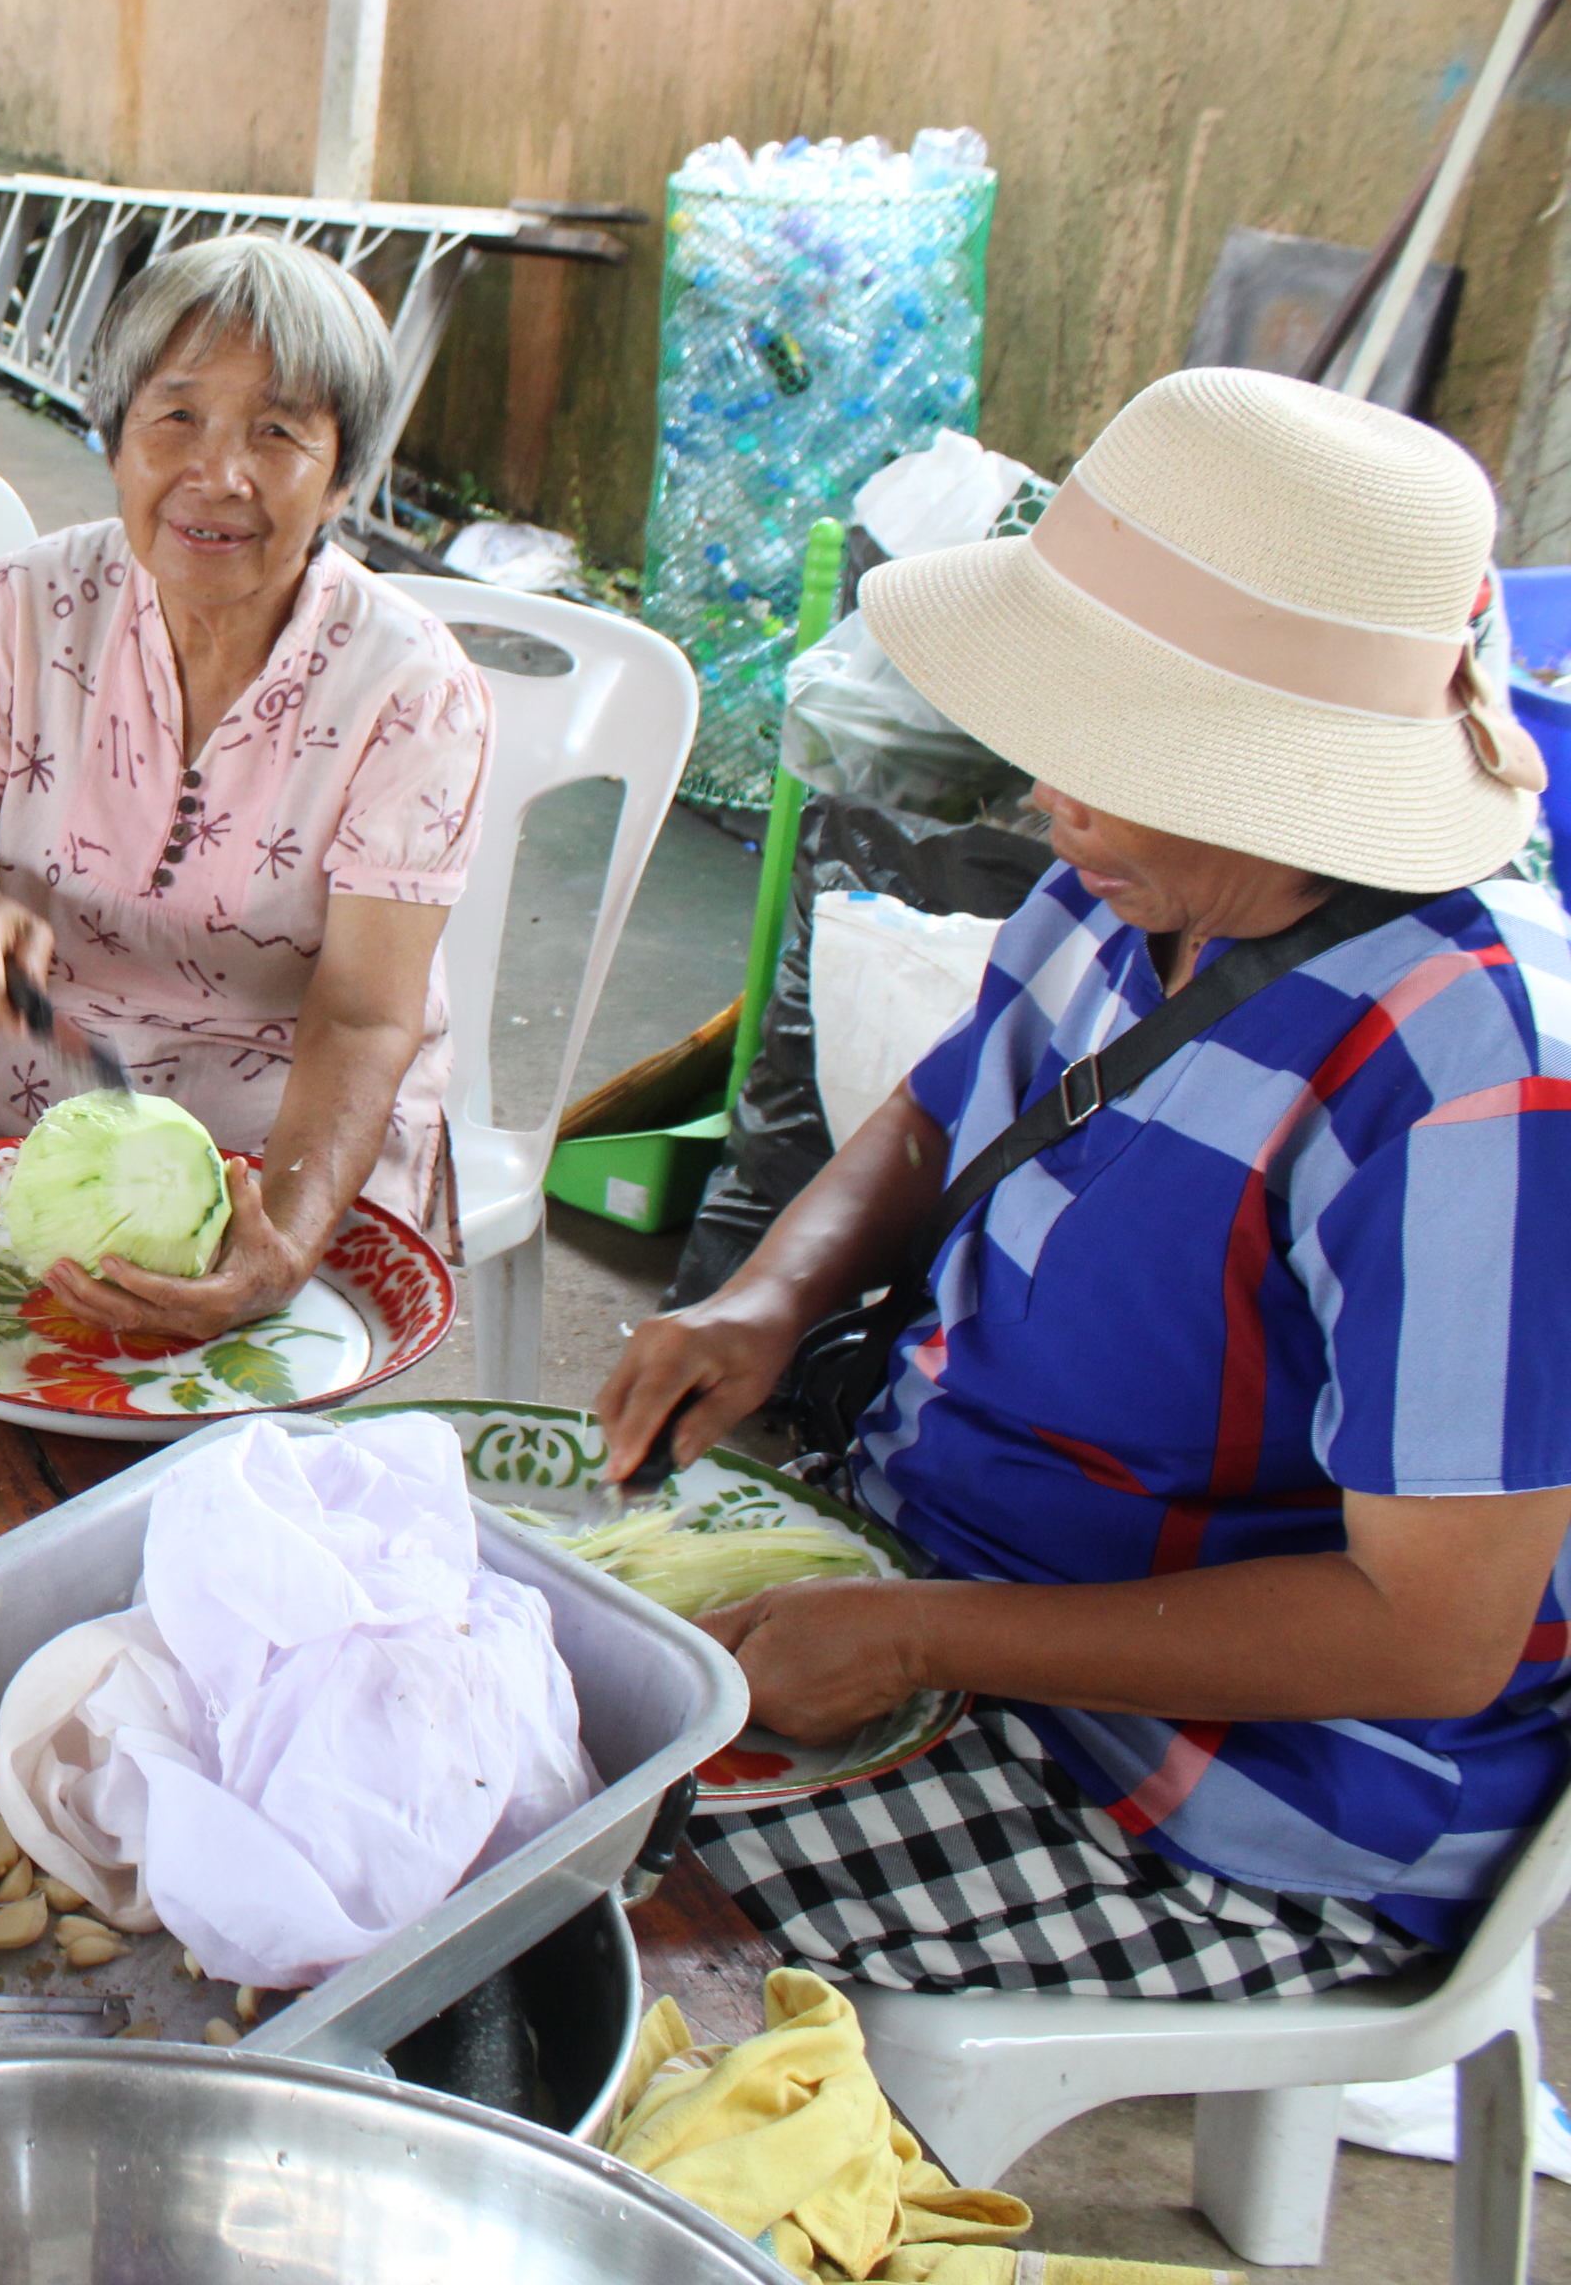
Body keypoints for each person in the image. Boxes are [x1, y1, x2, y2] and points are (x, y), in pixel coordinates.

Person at [597, 366, 1571, 1998]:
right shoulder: (1113, 893)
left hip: (1219, 1786)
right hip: (935, 1579)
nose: (1046, 799)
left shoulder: (1470, 1083)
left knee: (569, 1939)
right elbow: (931, 1118)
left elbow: (1428, 1633)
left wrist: (926, 1639)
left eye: (1105, 752)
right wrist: (762, 1300)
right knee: (456, 1750)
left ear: (1277, 769)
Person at [0, 232, 491, 1339]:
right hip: (18, 1112)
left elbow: (364, 1015)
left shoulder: (412, 690)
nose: (218, 475)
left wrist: (276, 1242)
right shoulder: (24, 609)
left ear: (342, 475)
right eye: (175, 416)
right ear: (115, 436)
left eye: (278, 431)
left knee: (207, 1468)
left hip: (279, 1149)